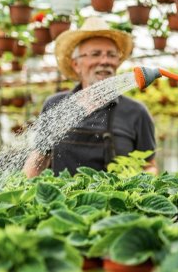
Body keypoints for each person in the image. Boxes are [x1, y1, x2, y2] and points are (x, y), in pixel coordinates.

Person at [23, 17, 157, 177]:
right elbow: (39, 159)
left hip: (117, 201)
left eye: (111, 55)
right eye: (95, 54)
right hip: (62, 200)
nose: (105, 61)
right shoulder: (56, 105)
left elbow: (149, 166)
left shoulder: (136, 112)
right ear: (76, 65)